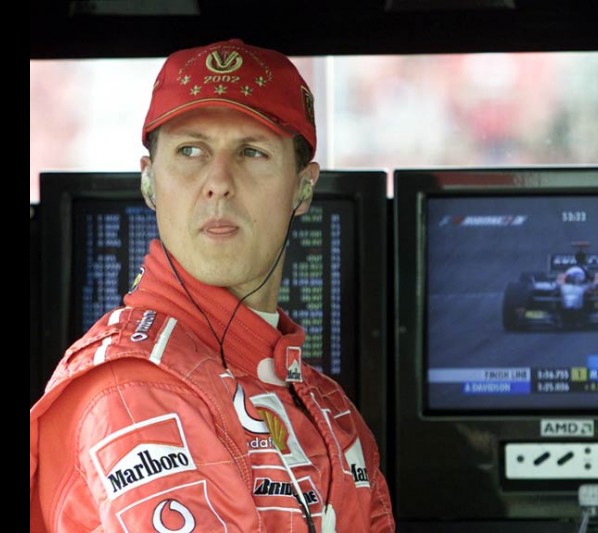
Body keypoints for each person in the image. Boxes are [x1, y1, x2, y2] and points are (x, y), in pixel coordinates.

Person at [30, 38, 395, 532]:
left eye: (251, 152)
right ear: (149, 181)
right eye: (190, 151)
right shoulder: (131, 387)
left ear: (303, 187)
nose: (218, 180)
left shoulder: (333, 412)